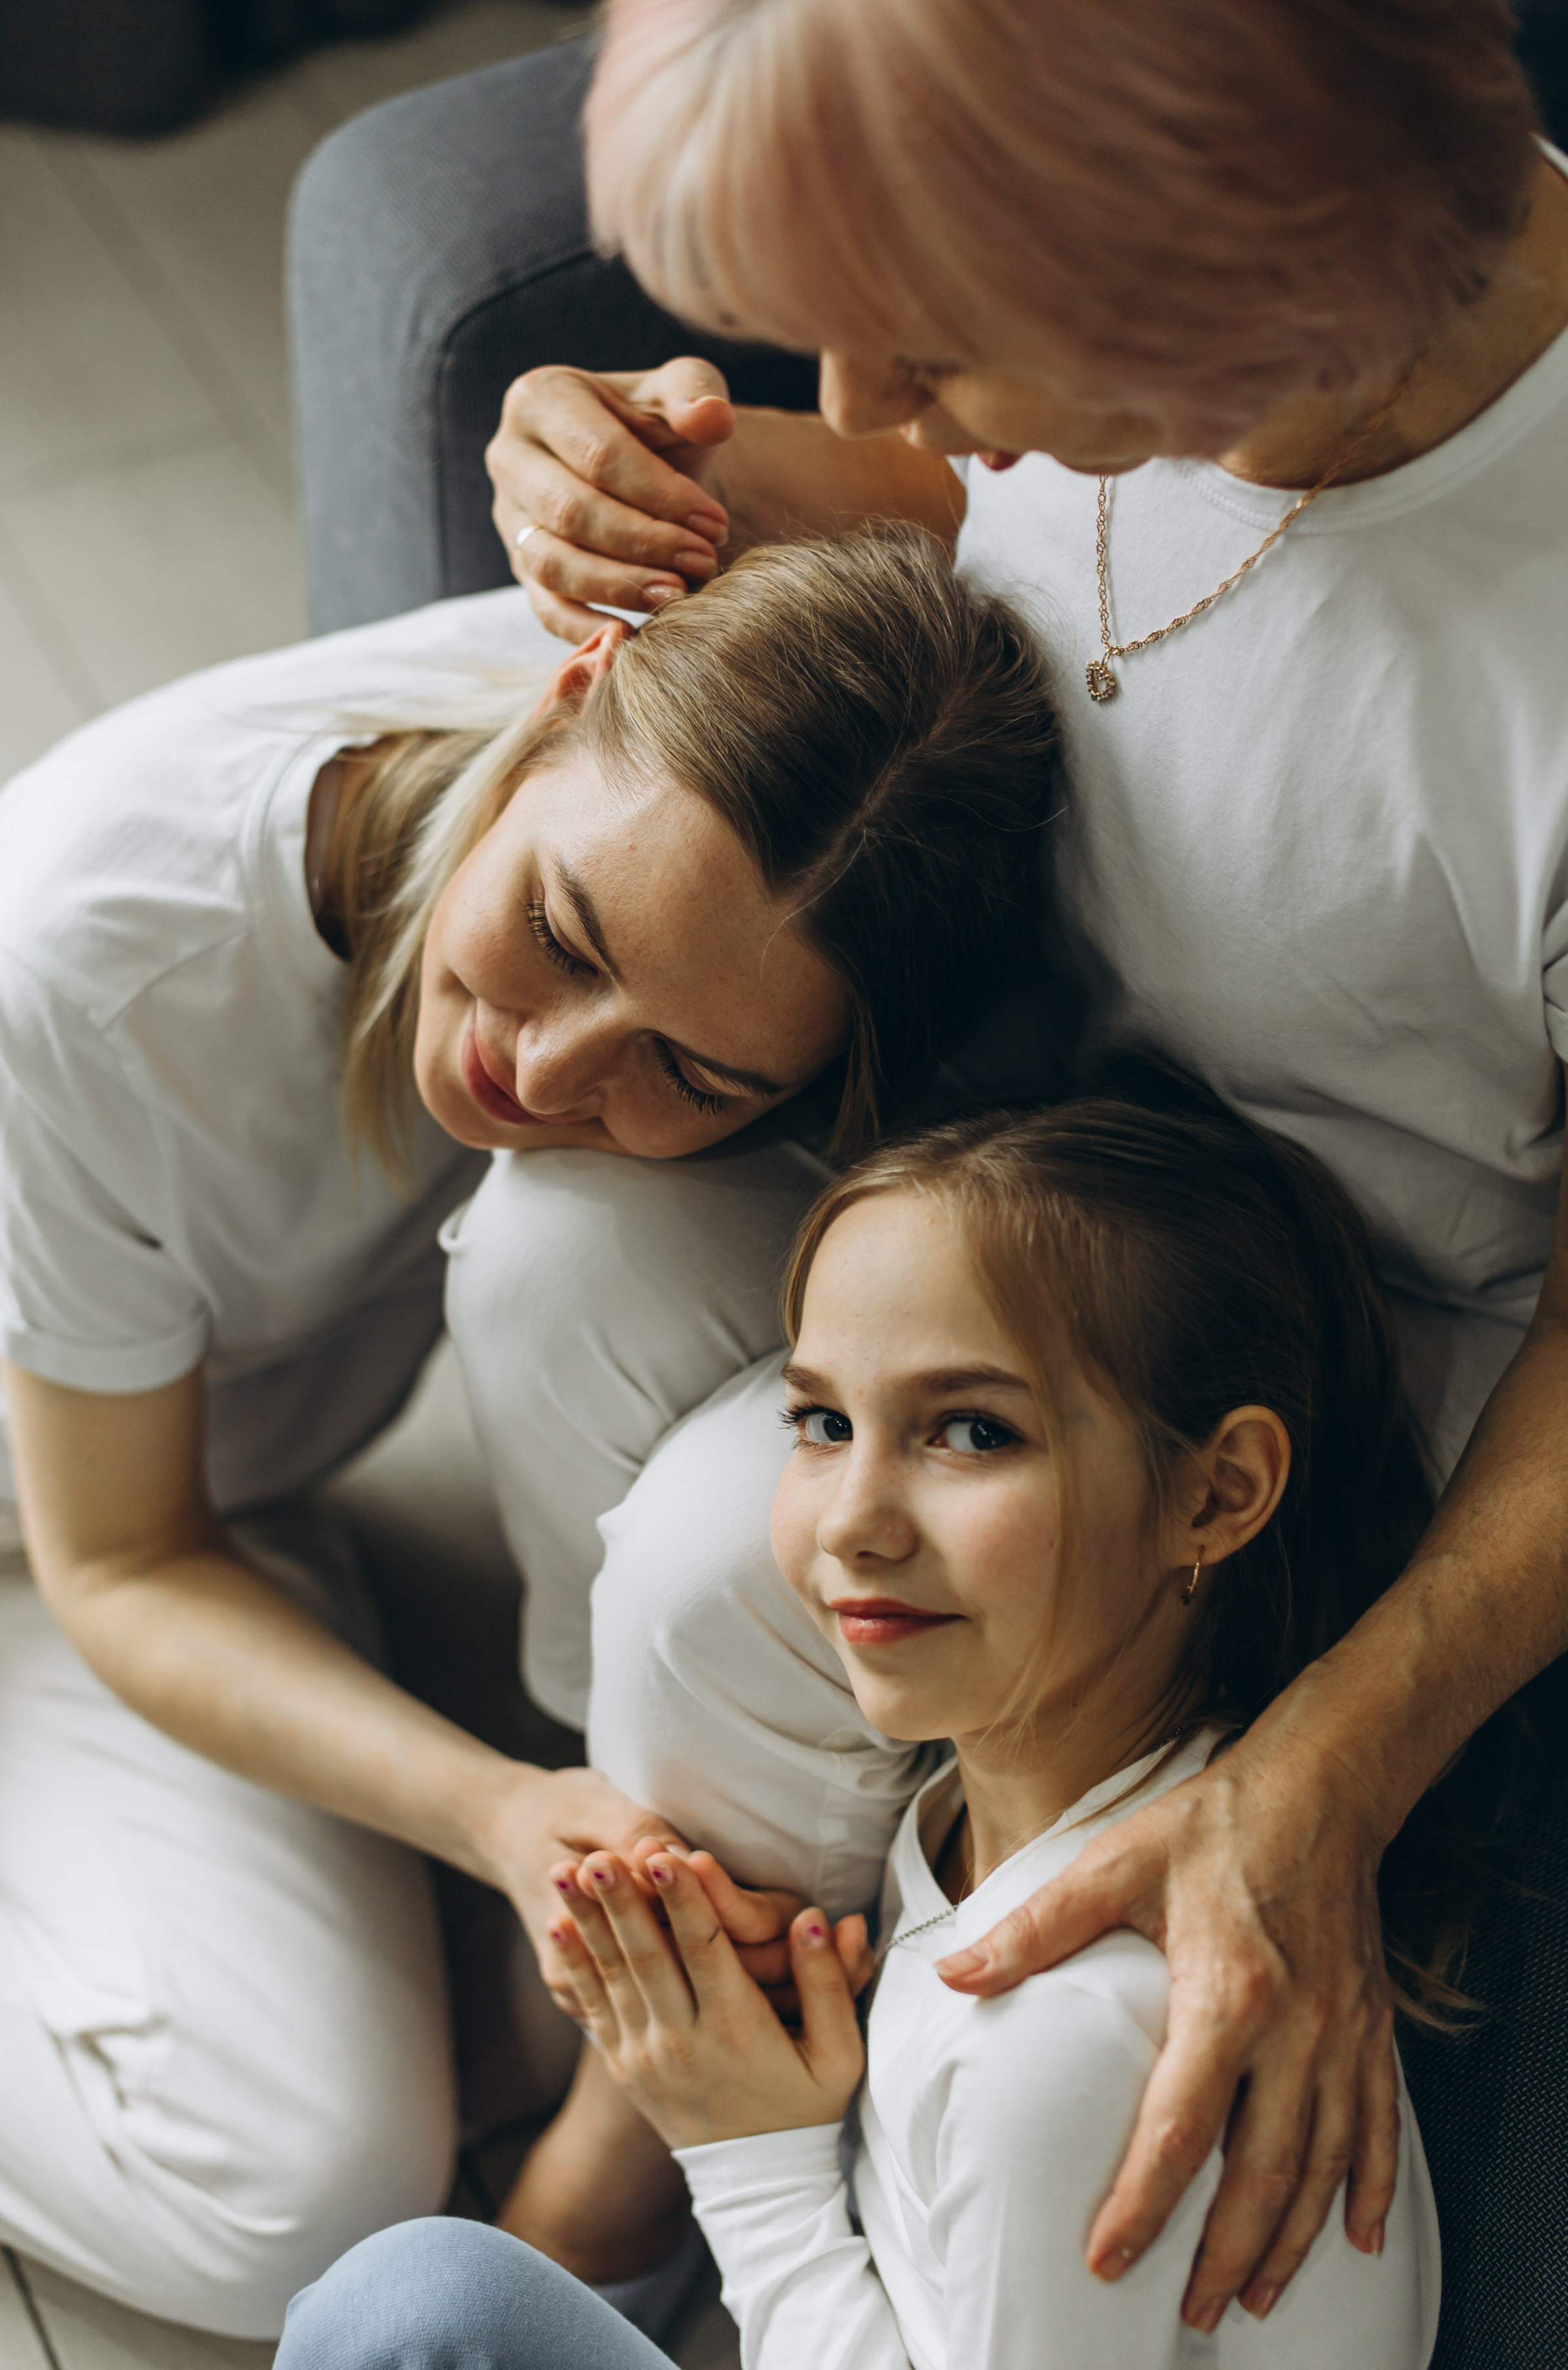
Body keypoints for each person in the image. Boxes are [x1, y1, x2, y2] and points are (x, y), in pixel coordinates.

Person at [422, 0, 1568, 2342]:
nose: (860, 396)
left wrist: (1328, 1771)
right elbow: (1013, 531)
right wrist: (656, 473)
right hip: (1061, 1155)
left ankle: (724, 2152)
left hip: (1356, 1331)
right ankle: (660, 2043)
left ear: (1232, 269)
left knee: (696, 1580)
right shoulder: (1220, 361)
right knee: (555, 1255)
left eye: (934, 342)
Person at [0, 527, 1073, 2337]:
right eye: (563, 938)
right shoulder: (95, 960)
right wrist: (492, 1811)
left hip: (223, 1491)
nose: (549, 1073)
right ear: (568, 696)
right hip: (77, 1533)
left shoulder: (782, 745)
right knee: (290, 2200)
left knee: (591, 1236)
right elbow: (122, 1554)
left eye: (696, 1074)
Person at [275, 1067, 1468, 2370]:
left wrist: (752, 2158)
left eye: (970, 1431)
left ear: (1217, 1493)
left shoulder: (1069, 2047)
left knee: (404, 2313)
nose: (854, 1519)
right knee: (423, 2305)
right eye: (823, 1421)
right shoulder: (987, 1802)